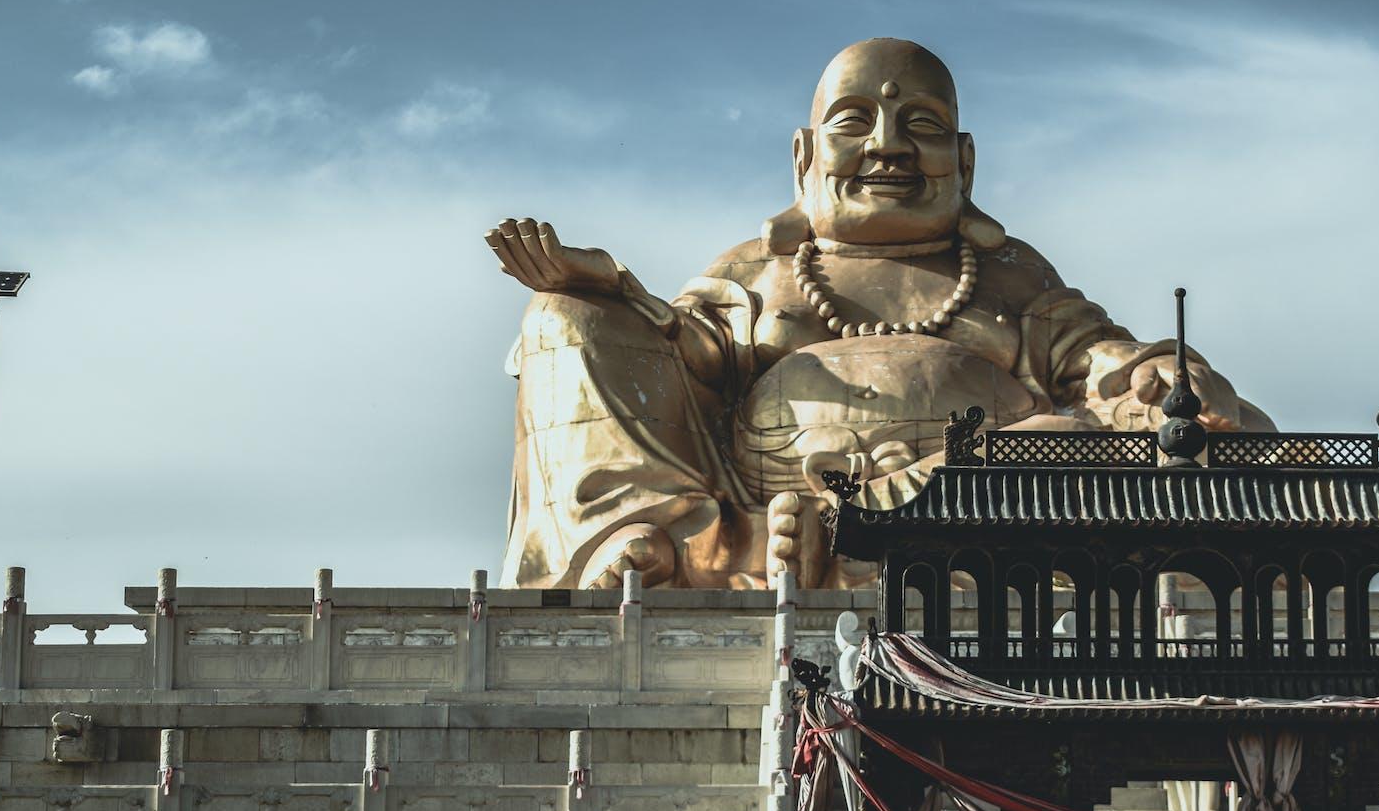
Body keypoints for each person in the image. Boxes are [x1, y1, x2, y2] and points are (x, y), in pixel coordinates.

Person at [489, 38, 1273, 589]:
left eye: (921, 125)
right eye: (854, 121)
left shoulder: (1008, 274)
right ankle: (699, 543)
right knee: (563, 320)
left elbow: (1098, 357)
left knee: (1115, 441)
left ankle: (845, 535)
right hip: (763, 493)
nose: (889, 145)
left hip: (974, 488)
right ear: (804, 158)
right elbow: (683, 353)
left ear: (963, 163)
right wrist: (608, 292)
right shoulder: (759, 270)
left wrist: (1166, 374)